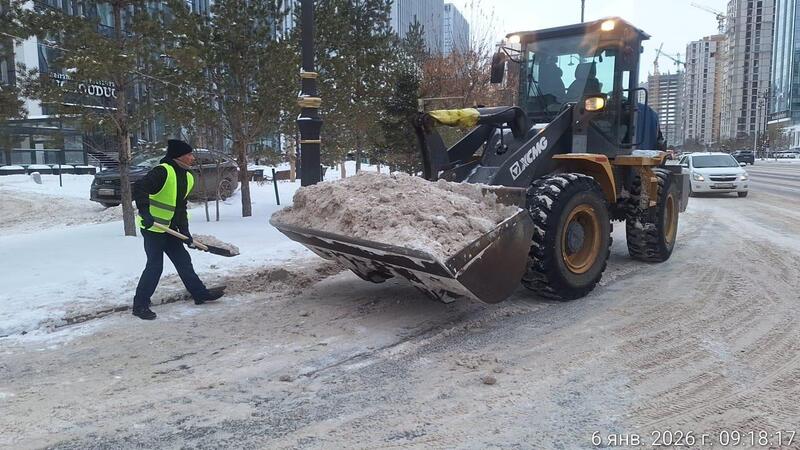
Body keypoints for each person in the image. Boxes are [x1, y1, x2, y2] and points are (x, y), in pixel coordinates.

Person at [131, 139, 224, 320]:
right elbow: (140, 187)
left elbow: (180, 207)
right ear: (179, 156)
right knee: (155, 266)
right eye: (189, 154)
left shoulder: (187, 177)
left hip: (171, 228)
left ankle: (199, 294)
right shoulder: (162, 171)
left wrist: (185, 231)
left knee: (183, 261)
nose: (192, 158)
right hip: (153, 229)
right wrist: (145, 211)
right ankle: (139, 305)